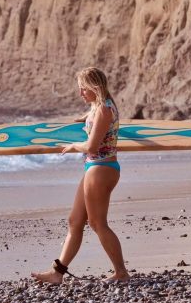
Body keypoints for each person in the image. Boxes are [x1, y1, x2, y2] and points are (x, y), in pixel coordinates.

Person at [31, 67, 129, 285]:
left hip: (102, 169)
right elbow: (94, 121)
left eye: (83, 89)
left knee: (97, 223)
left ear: (94, 88)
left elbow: (92, 145)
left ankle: (121, 272)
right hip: (94, 168)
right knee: (75, 220)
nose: (80, 94)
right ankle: (57, 273)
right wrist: (81, 121)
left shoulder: (104, 109)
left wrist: (74, 145)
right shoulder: (98, 107)